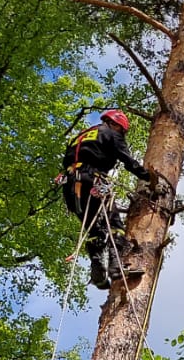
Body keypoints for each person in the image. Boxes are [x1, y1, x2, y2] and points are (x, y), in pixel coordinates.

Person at [58, 109, 165, 288]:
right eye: (122, 131)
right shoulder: (111, 134)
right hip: (92, 181)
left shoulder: (80, 136)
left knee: (95, 229)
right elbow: (128, 161)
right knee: (114, 224)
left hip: (70, 186)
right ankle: (116, 267)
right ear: (116, 124)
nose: (121, 134)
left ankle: (99, 270)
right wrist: (148, 177)